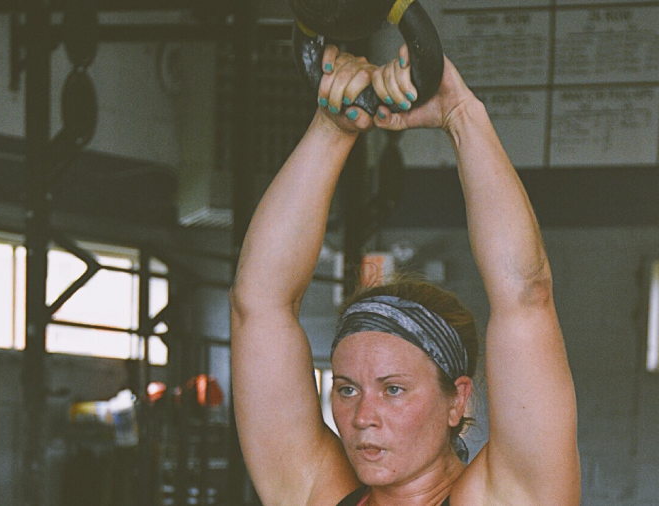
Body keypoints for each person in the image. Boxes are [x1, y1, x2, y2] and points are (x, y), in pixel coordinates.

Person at [230, 43, 580, 506]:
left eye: (393, 389)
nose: (362, 417)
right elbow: (257, 305)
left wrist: (460, 115)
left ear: (458, 401)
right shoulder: (315, 494)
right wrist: (333, 128)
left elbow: (526, 296)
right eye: (347, 389)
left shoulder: (508, 499)